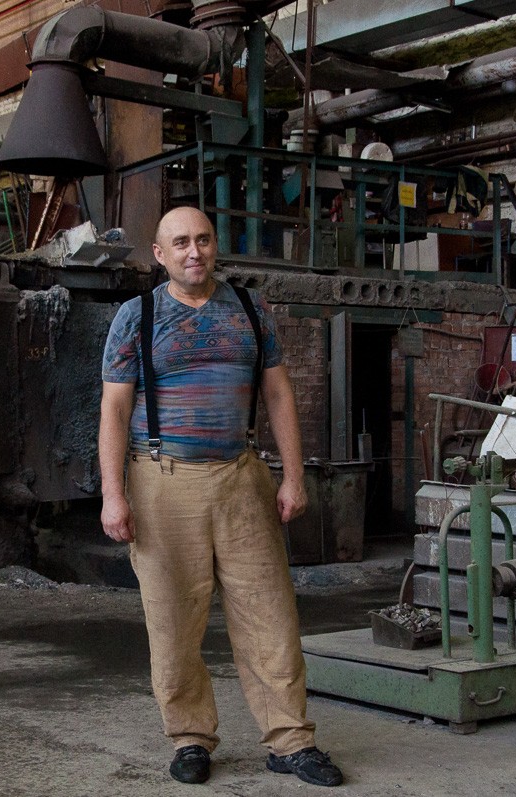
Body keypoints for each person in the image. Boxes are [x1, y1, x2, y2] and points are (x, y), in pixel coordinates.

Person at [98, 207, 344, 788]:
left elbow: (278, 395)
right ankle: (189, 739)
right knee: (173, 621)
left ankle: (291, 740)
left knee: (269, 614)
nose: (195, 252)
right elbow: (114, 408)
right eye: (181, 242)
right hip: (163, 481)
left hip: (241, 476)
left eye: (203, 240)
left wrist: (292, 476)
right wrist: (113, 494)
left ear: (215, 246)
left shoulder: (251, 310)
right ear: (159, 254)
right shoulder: (137, 316)